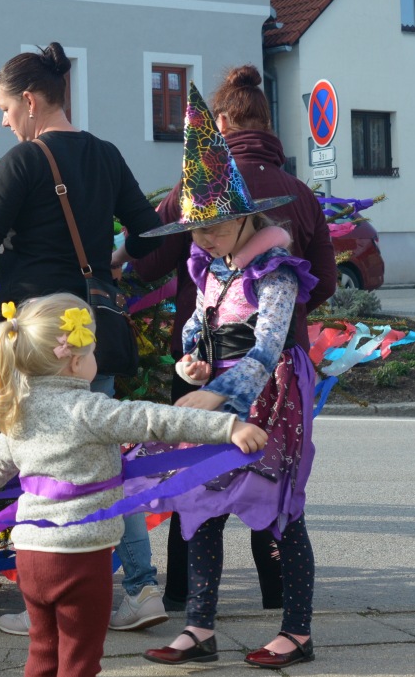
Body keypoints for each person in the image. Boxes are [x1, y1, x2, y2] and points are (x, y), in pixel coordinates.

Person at [0, 42, 170, 635]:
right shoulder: (105, 154)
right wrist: (109, 262)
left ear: (30, 101)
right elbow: (149, 235)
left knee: (43, 462)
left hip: (36, 333)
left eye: (6, 109)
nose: (4, 122)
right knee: (105, 456)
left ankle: (48, 604)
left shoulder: (24, 161)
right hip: (91, 330)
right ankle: (140, 588)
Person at [0, 294, 265, 677]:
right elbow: (156, 419)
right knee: (79, 658)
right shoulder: (90, 409)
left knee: (43, 651)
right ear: (76, 361)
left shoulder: (18, 410)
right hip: (80, 557)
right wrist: (228, 425)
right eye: (94, 353)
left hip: (32, 555)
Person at [120, 64, 336, 615]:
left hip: (241, 368)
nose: (205, 238)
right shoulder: (300, 193)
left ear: (219, 123)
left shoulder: (197, 188)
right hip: (258, 366)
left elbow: (148, 263)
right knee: (269, 480)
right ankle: (273, 596)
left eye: (210, 230)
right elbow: (327, 279)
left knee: (194, 480)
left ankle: (185, 596)